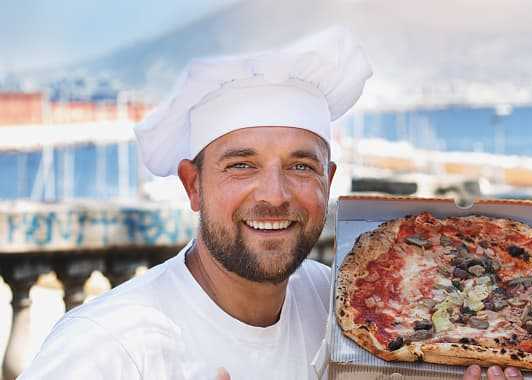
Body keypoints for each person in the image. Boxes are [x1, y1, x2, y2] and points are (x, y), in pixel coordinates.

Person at [19, 27, 372, 379]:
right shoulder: (109, 347)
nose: (274, 194)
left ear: (328, 182)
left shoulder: (341, 306)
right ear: (193, 186)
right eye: (242, 166)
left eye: (301, 167)